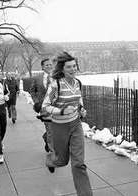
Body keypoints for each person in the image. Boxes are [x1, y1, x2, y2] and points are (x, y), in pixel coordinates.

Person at [41, 52, 93, 196]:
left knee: (78, 163)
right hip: (59, 127)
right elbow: (44, 107)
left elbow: (78, 100)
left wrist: (81, 109)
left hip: (75, 125)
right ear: (62, 69)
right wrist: (62, 111)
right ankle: (50, 160)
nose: (73, 69)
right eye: (69, 67)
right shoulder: (55, 85)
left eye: (74, 66)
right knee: (62, 161)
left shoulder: (78, 83)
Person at [29, 58, 54, 152]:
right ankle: (53, 154)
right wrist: (36, 102)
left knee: (56, 130)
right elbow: (32, 90)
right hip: (44, 108)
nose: (49, 66)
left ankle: (46, 137)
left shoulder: (57, 77)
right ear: (43, 67)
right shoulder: (37, 78)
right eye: (47, 65)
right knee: (50, 130)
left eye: (51, 65)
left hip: (56, 107)